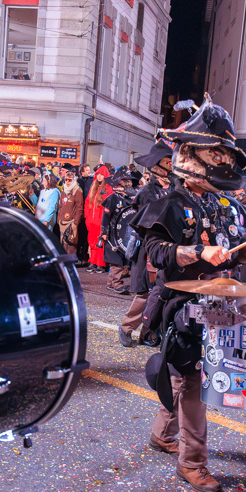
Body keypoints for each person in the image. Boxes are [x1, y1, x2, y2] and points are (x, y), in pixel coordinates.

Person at [133, 98, 246, 492]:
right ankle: (193, 463)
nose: (223, 164)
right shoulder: (170, 202)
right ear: (192, 157)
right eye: (216, 155)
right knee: (194, 380)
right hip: (182, 303)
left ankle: (163, 433)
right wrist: (196, 253)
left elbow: (232, 244)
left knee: (186, 379)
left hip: (219, 302)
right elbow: (155, 253)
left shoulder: (221, 203)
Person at [120, 141, 172, 347]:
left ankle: (148, 332)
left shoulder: (177, 187)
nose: (172, 164)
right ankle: (126, 327)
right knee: (144, 292)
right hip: (148, 247)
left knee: (164, 292)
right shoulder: (146, 192)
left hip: (170, 248)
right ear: (157, 166)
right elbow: (143, 223)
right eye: (168, 161)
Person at [100, 167, 134, 294]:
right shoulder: (112, 198)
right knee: (116, 260)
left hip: (125, 233)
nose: (127, 183)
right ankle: (117, 283)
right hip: (113, 234)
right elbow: (106, 217)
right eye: (125, 181)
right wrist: (104, 232)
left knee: (122, 259)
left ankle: (110, 282)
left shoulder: (130, 198)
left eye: (128, 181)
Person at [84, 165, 111, 273]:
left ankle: (100, 263)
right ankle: (93, 261)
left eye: (102, 175)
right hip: (91, 221)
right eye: (98, 174)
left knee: (100, 242)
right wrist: (87, 217)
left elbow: (107, 206)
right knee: (92, 241)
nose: (99, 177)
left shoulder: (108, 189)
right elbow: (87, 203)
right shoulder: (93, 188)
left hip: (100, 221)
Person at [57, 166, 84, 258]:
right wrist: (59, 218)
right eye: (66, 179)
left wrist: (75, 223)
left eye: (70, 180)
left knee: (71, 244)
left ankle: (71, 264)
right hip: (62, 222)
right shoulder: (63, 191)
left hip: (71, 222)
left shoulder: (78, 191)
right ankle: (65, 264)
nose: (68, 182)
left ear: (73, 180)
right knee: (63, 244)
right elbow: (60, 206)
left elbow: (79, 208)